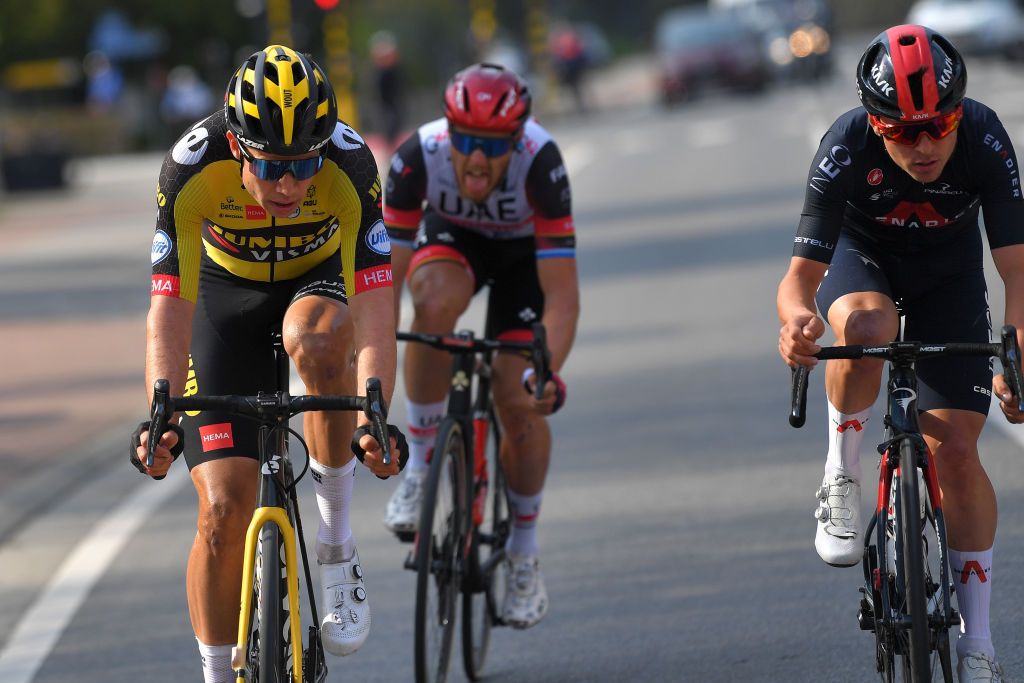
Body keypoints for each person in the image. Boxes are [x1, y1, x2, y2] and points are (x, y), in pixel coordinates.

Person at [129, 45, 405, 683]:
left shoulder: (352, 162)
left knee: (314, 340)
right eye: (274, 167)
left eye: (305, 163)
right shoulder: (188, 168)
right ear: (237, 146)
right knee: (223, 508)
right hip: (225, 302)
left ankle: (335, 541)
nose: (290, 184)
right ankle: (217, 673)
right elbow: (169, 307)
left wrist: (374, 410)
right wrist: (160, 410)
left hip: (318, 284)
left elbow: (375, 303)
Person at [776, 25, 1024, 682]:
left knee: (959, 453)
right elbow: (799, 281)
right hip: (865, 262)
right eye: (898, 131)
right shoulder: (845, 145)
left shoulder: (987, 138)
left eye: (936, 126)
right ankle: (840, 473)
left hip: (948, 277)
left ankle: (978, 643)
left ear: (958, 113)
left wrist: (1020, 353)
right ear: (874, 124)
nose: (921, 144)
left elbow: (1018, 273)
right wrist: (798, 321)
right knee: (866, 322)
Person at [382, 63, 579, 628]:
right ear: (449, 132)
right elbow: (385, 280)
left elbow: (562, 297)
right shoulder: (419, 155)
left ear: (516, 142)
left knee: (517, 401)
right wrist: (366, 352)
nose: (475, 158)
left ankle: (522, 551)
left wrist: (548, 372)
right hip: (453, 239)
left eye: (491, 146)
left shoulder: (541, 164)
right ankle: (420, 465)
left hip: (524, 261)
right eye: (465, 140)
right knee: (432, 307)